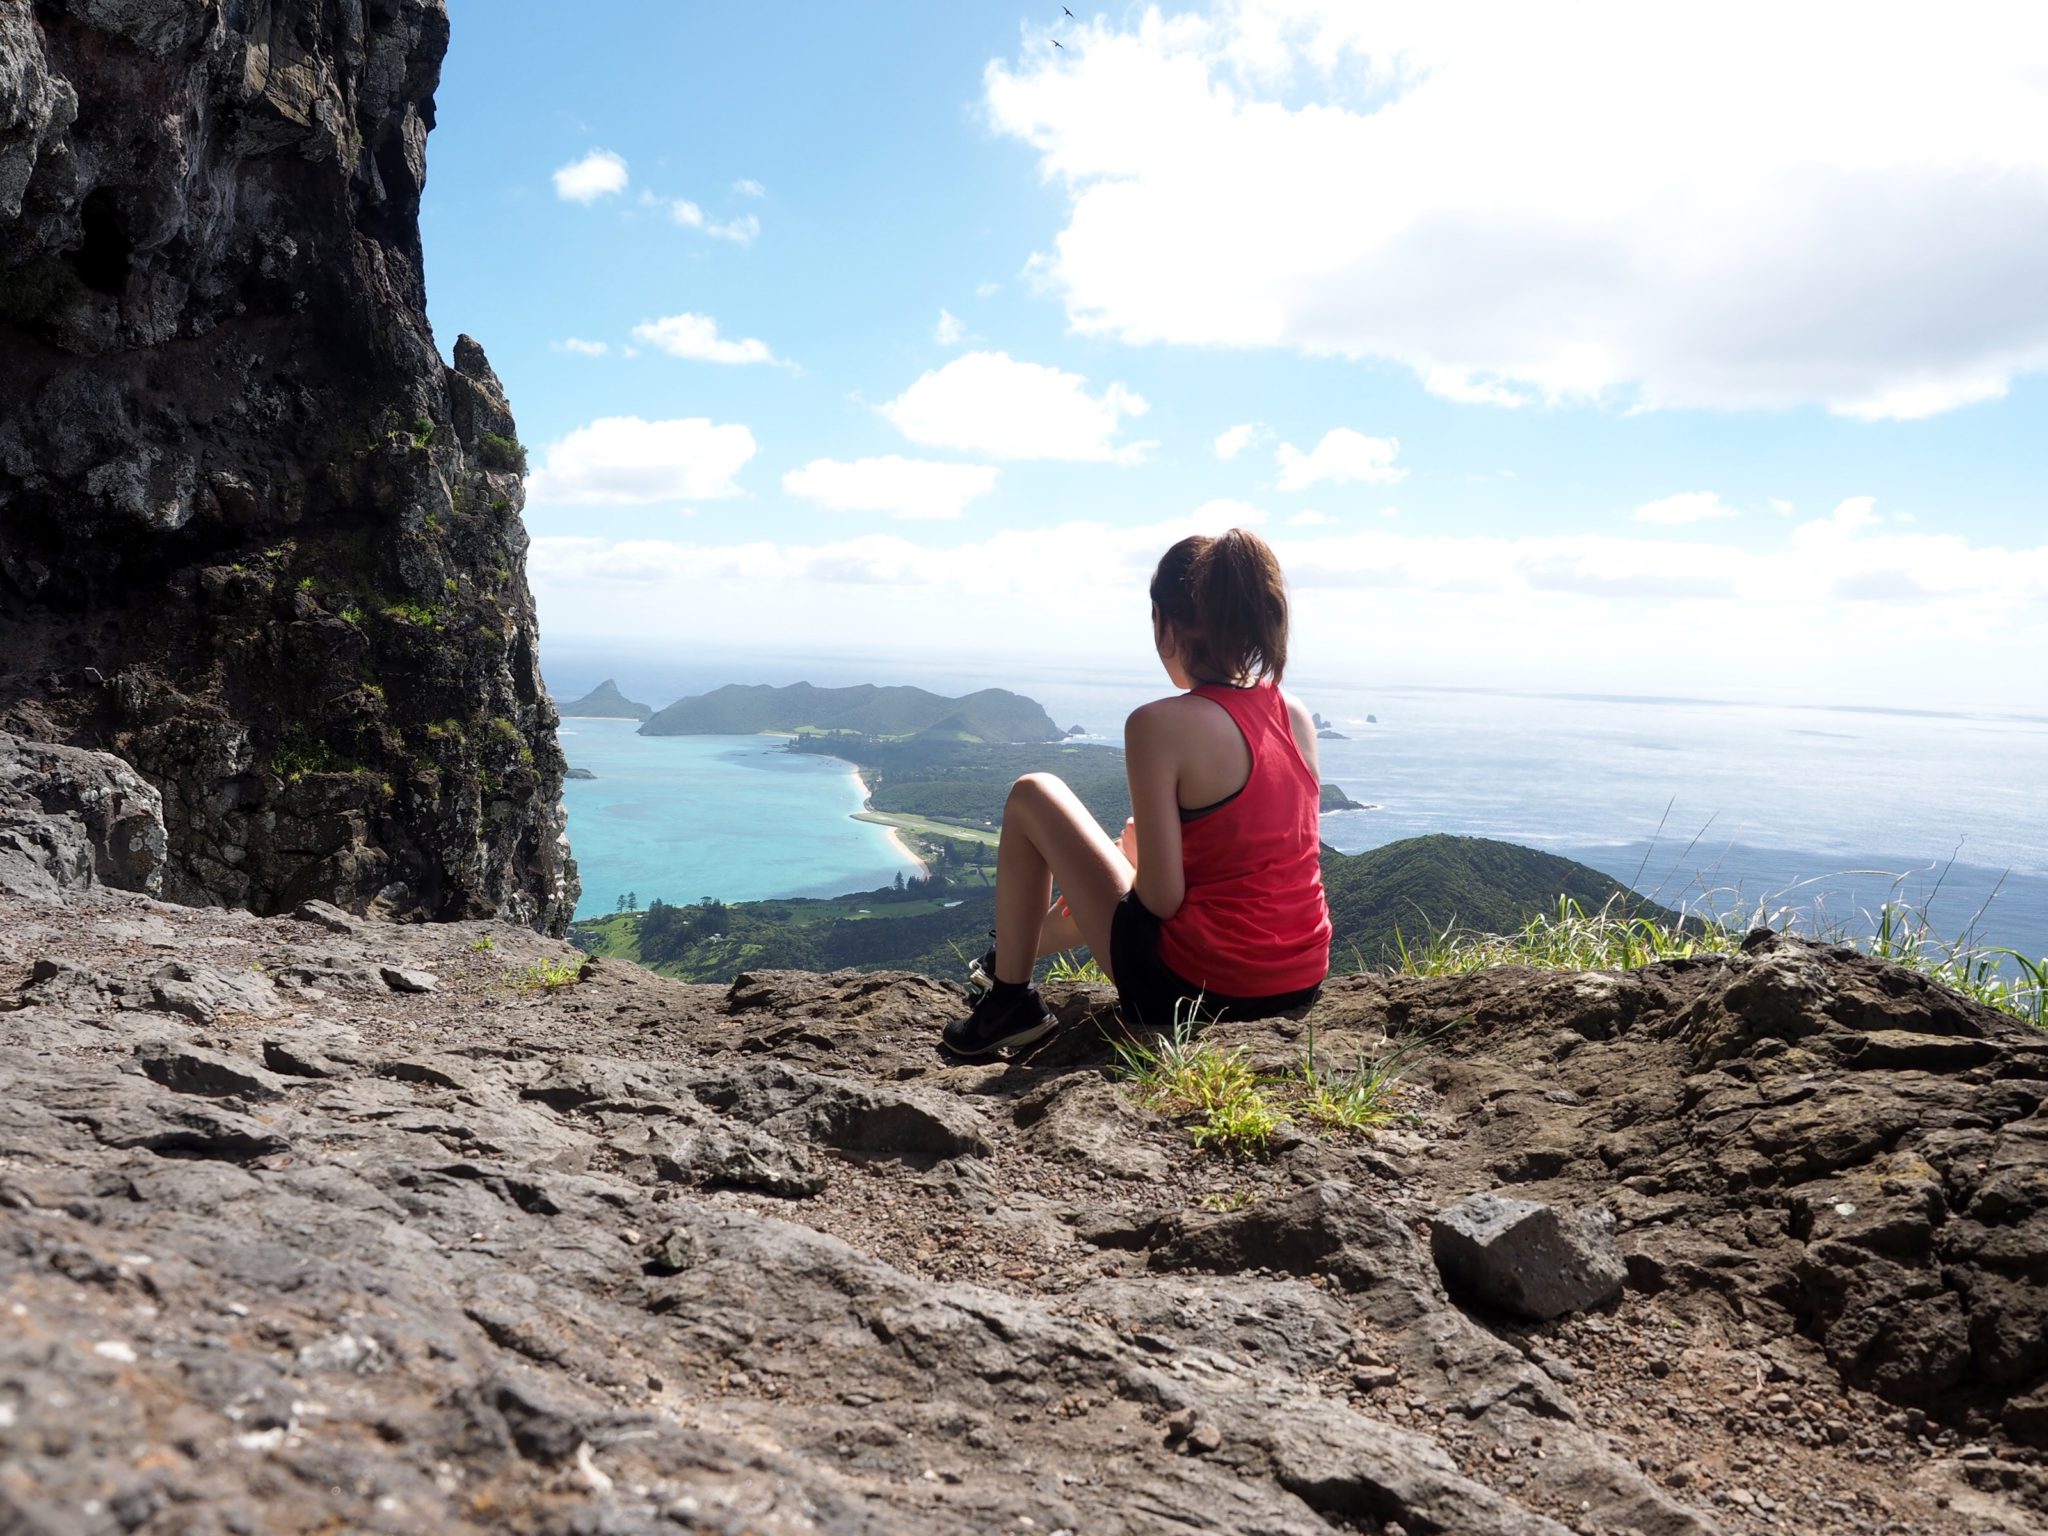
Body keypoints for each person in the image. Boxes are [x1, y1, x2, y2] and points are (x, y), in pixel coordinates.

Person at [942, 527, 1332, 1057]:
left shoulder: (1157, 725)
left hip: (1192, 991)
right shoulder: (1295, 715)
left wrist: (1137, 863)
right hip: (1299, 977)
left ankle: (1009, 999)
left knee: (1033, 792)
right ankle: (998, 962)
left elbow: (1162, 898)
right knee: (1124, 873)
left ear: (1165, 624)